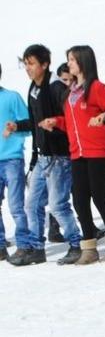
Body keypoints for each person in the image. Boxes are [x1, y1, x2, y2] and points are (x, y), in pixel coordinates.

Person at [39, 46, 105, 264]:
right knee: (80, 199)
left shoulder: (97, 88)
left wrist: (103, 117)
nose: (69, 64)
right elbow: (72, 122)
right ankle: (89, 247)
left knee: (98, 195)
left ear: (83, 62)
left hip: (97, 150)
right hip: (77, 152)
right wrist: (56, 122)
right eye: (69, 60)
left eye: (72, 60)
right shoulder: (70, 92)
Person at [10, 44, 82, 265]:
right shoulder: (33, 88)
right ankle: (36, 248)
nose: (28, 68)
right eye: (26, 64)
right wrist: (18, 126)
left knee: (58, 204)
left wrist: (56, 124)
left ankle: (76, 244)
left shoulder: (56, 87)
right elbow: (34, 123)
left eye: (31, 63)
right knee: (32, 205)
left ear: (44, 64)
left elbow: (71, 116)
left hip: (59, 156)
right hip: (42, 157)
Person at [0, 62, 38, 262]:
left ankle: (24, 244)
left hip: (12, 159)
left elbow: (29, 124)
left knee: (16, 206)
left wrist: (15, 128)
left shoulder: (11, 97)